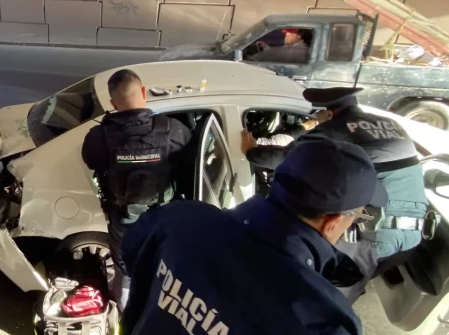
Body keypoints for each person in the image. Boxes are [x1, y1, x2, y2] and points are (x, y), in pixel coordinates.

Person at [121, 138, 386, 335]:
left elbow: (134, 254)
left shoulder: (180, 218)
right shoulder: (317, 319)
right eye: (356, 216)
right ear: (333, 222)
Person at [242, 87, 428, 302]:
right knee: (339, 290)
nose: (317, 121)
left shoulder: (334, 131)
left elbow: (281, 159)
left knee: (318, 302)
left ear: (329, 113)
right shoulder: (391, 124)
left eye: (319, 116)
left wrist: (251, 150)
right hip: (411, 237)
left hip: (372, 238)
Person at [81, 69, 192, 308]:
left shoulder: (99, 136)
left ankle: (127, 319)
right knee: (163, 267)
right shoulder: (173, 129)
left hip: (124, 218)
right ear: (143, 92)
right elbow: (189, 164)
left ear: (112, 102)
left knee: (127, 272)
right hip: (163, 217)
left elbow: (92, 162)